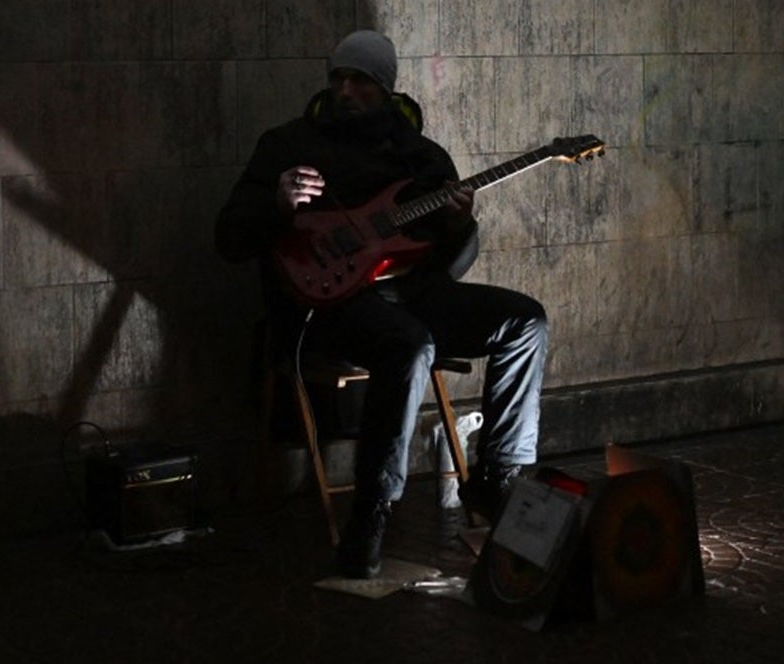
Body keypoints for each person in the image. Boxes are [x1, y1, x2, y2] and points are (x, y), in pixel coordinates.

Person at [215, 29, 549, 578]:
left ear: (387, 88)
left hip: (413, 293)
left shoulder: (420, 158)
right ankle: (371, 513)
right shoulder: (287, 145)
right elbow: (228, 239)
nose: (346, 91)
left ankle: (499, 475)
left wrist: (459, 225)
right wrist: (276, 204)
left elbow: (451, 264)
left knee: (525, 321)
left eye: (362, 81)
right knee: (409, 345)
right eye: (339, 79)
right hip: (327, 309)